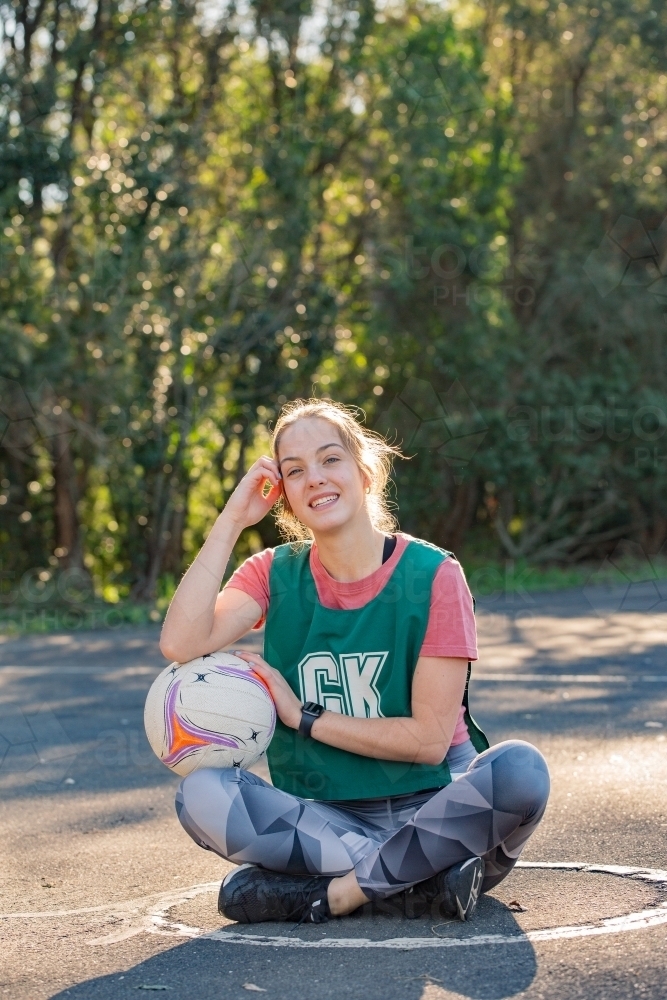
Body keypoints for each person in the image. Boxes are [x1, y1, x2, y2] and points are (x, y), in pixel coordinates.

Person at [160, 398, 550, 926]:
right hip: (329, 826)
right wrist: (231, 519)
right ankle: (422, 881)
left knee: (521, 770)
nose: (315, 478)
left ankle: (337, 895)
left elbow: (428, 741)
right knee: (201, 794)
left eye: (330, 459)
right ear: (285, 497)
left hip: (437, 812)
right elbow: (181, 644)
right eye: (294, 472)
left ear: (365, 471)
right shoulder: (273, 573)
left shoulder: (433, 574)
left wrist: (303, 717)